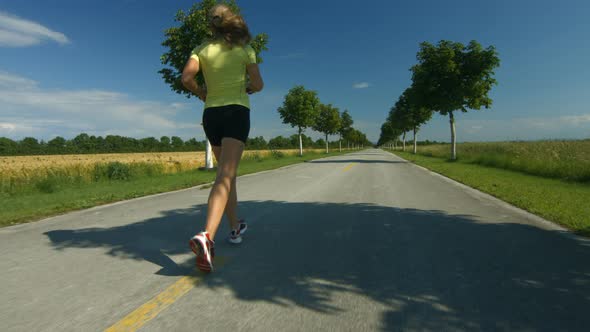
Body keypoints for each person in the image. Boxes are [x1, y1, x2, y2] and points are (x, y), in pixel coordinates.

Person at [181, 4, 263, 272]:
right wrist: (248, 88)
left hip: (211, 115)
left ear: (212, 24)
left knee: (228, 176)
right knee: (225, 176)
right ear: (232, 21)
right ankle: (207, 236)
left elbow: (187, 78)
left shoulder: (201, 49)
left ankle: (235, 228)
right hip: (236, 111)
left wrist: (202, 93)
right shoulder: (244, 48)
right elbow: (259, 84)